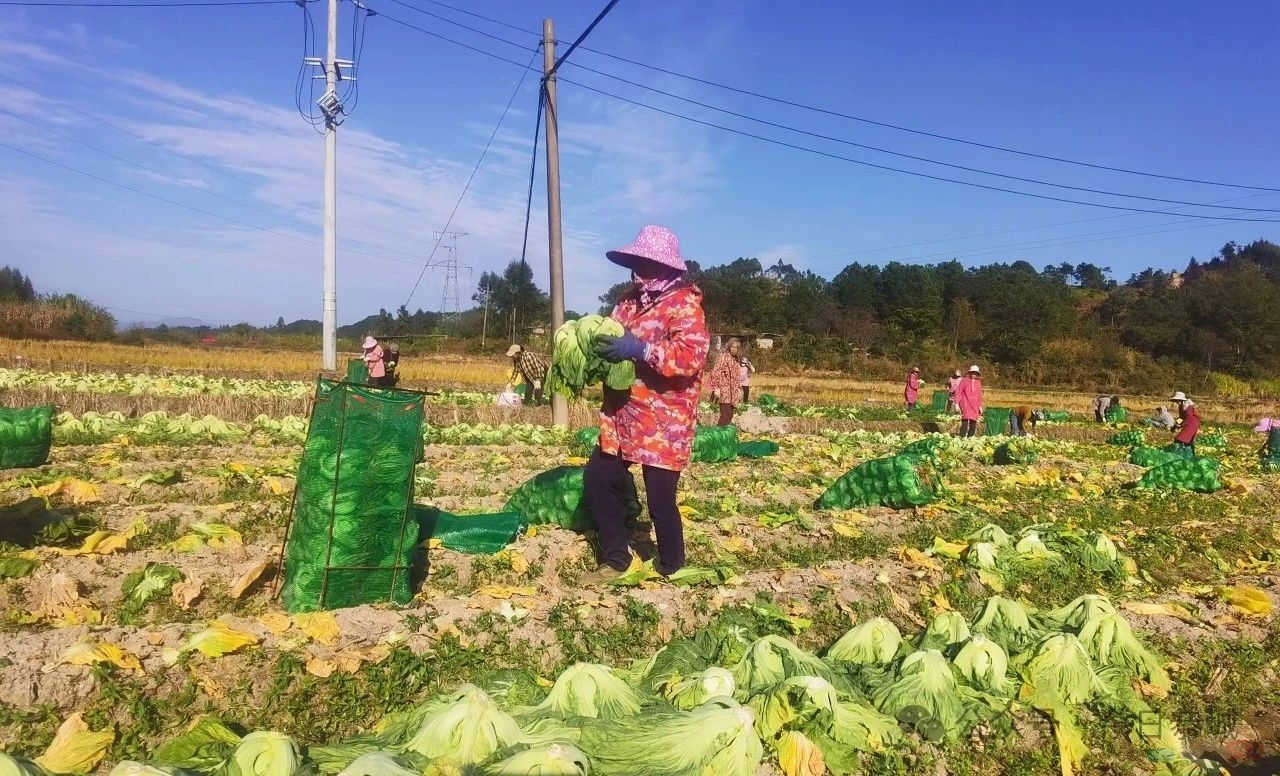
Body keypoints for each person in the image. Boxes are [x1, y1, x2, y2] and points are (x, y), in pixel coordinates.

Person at [583, 225, 709, 582]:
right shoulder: (625, 302)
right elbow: (608, 339)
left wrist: (641, 350)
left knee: (659, 500)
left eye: (645, 262)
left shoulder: (685, 304)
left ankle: (672, 564)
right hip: (623, 413)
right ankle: (616, 558)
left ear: (666, 266)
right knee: (598, 479)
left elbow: (689, 358)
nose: (638, 269)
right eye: (635, 262)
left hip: (664, 419)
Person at [707, 338, 746, 426]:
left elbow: (736, 376)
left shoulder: (736, 359)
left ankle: (723, 436)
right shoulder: (723, 357)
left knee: (730, 415)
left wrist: (739, 389)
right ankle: (717, 436)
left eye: (737, 348)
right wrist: (716, 388)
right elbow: (715, 372)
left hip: (733, 391)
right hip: (724, 390)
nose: (734, 349)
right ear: (729, 347)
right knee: (726, 415)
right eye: (733, 347)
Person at [956, 365, 983, 437]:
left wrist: (980, 405)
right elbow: (958, 391)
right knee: (965, 422)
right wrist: (956, 403)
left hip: (975, 405)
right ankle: (962, 437)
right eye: (972, 373)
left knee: (973, 423)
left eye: (975, 373)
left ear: (977, 374)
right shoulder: (964, 381)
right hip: (965, 403)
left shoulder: (978, 382)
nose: (973, 374)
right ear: (970, 373)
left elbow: (979, 394)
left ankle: (970, 438)